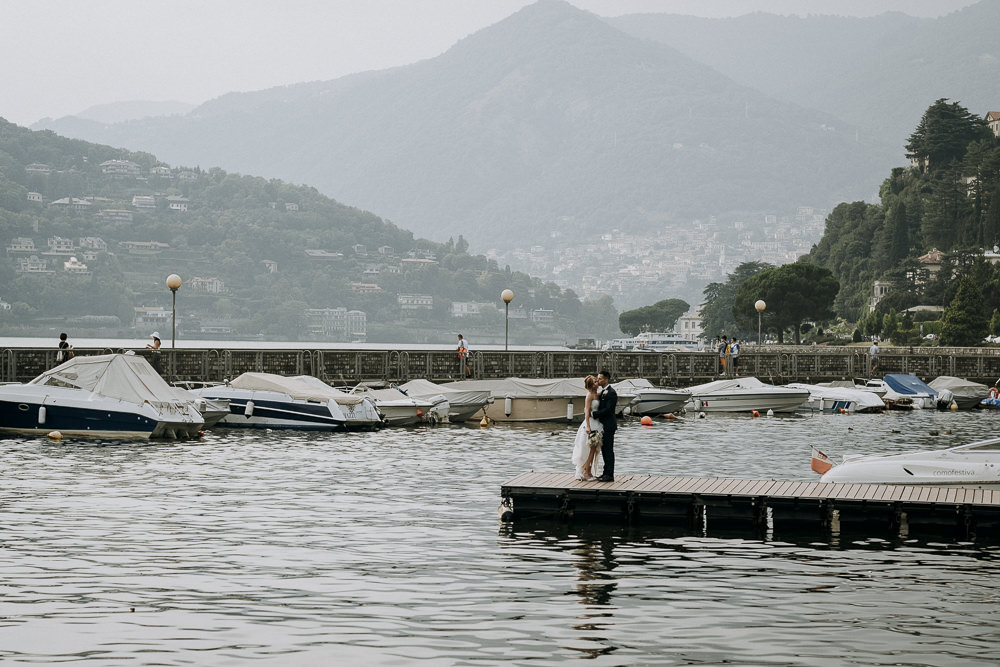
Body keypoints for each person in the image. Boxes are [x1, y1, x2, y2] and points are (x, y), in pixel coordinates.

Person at [571, 375, 604, 481]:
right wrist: (588, 426)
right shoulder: (589, 396)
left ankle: (589, 471)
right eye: (595, 382)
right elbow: (586, 412)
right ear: (591, 385)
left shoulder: (598, 395)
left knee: (594, 449)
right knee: (589, 449)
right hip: (590, 423)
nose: (597, 382)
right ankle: (585, 472)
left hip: (598, 424)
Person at [592, 369, 618, 482]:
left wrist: (594, 414)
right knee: (604, 450)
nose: (598, 380)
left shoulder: (611, 393)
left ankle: (610, 474)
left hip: (609, 425)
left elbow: (608, 410)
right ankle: (605, 472)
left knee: (608, 450)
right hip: (603, 425)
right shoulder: (603, 392)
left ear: (606, 379)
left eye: (600, 378)